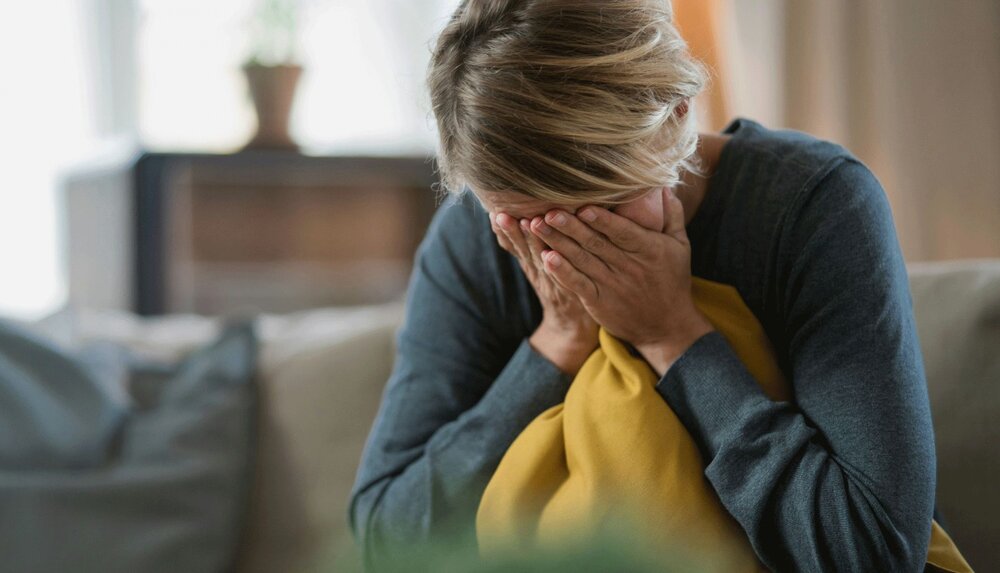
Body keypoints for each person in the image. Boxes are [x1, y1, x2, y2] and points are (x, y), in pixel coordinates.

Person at [348, 1, 937, 571]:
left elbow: (874, 551)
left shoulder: (811, 206)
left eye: (598, 211)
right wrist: (558, 342)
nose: (566, 252)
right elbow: (383, 541)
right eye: (533, 224)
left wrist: (673, 334)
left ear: (678, 114)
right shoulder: (472, 237)